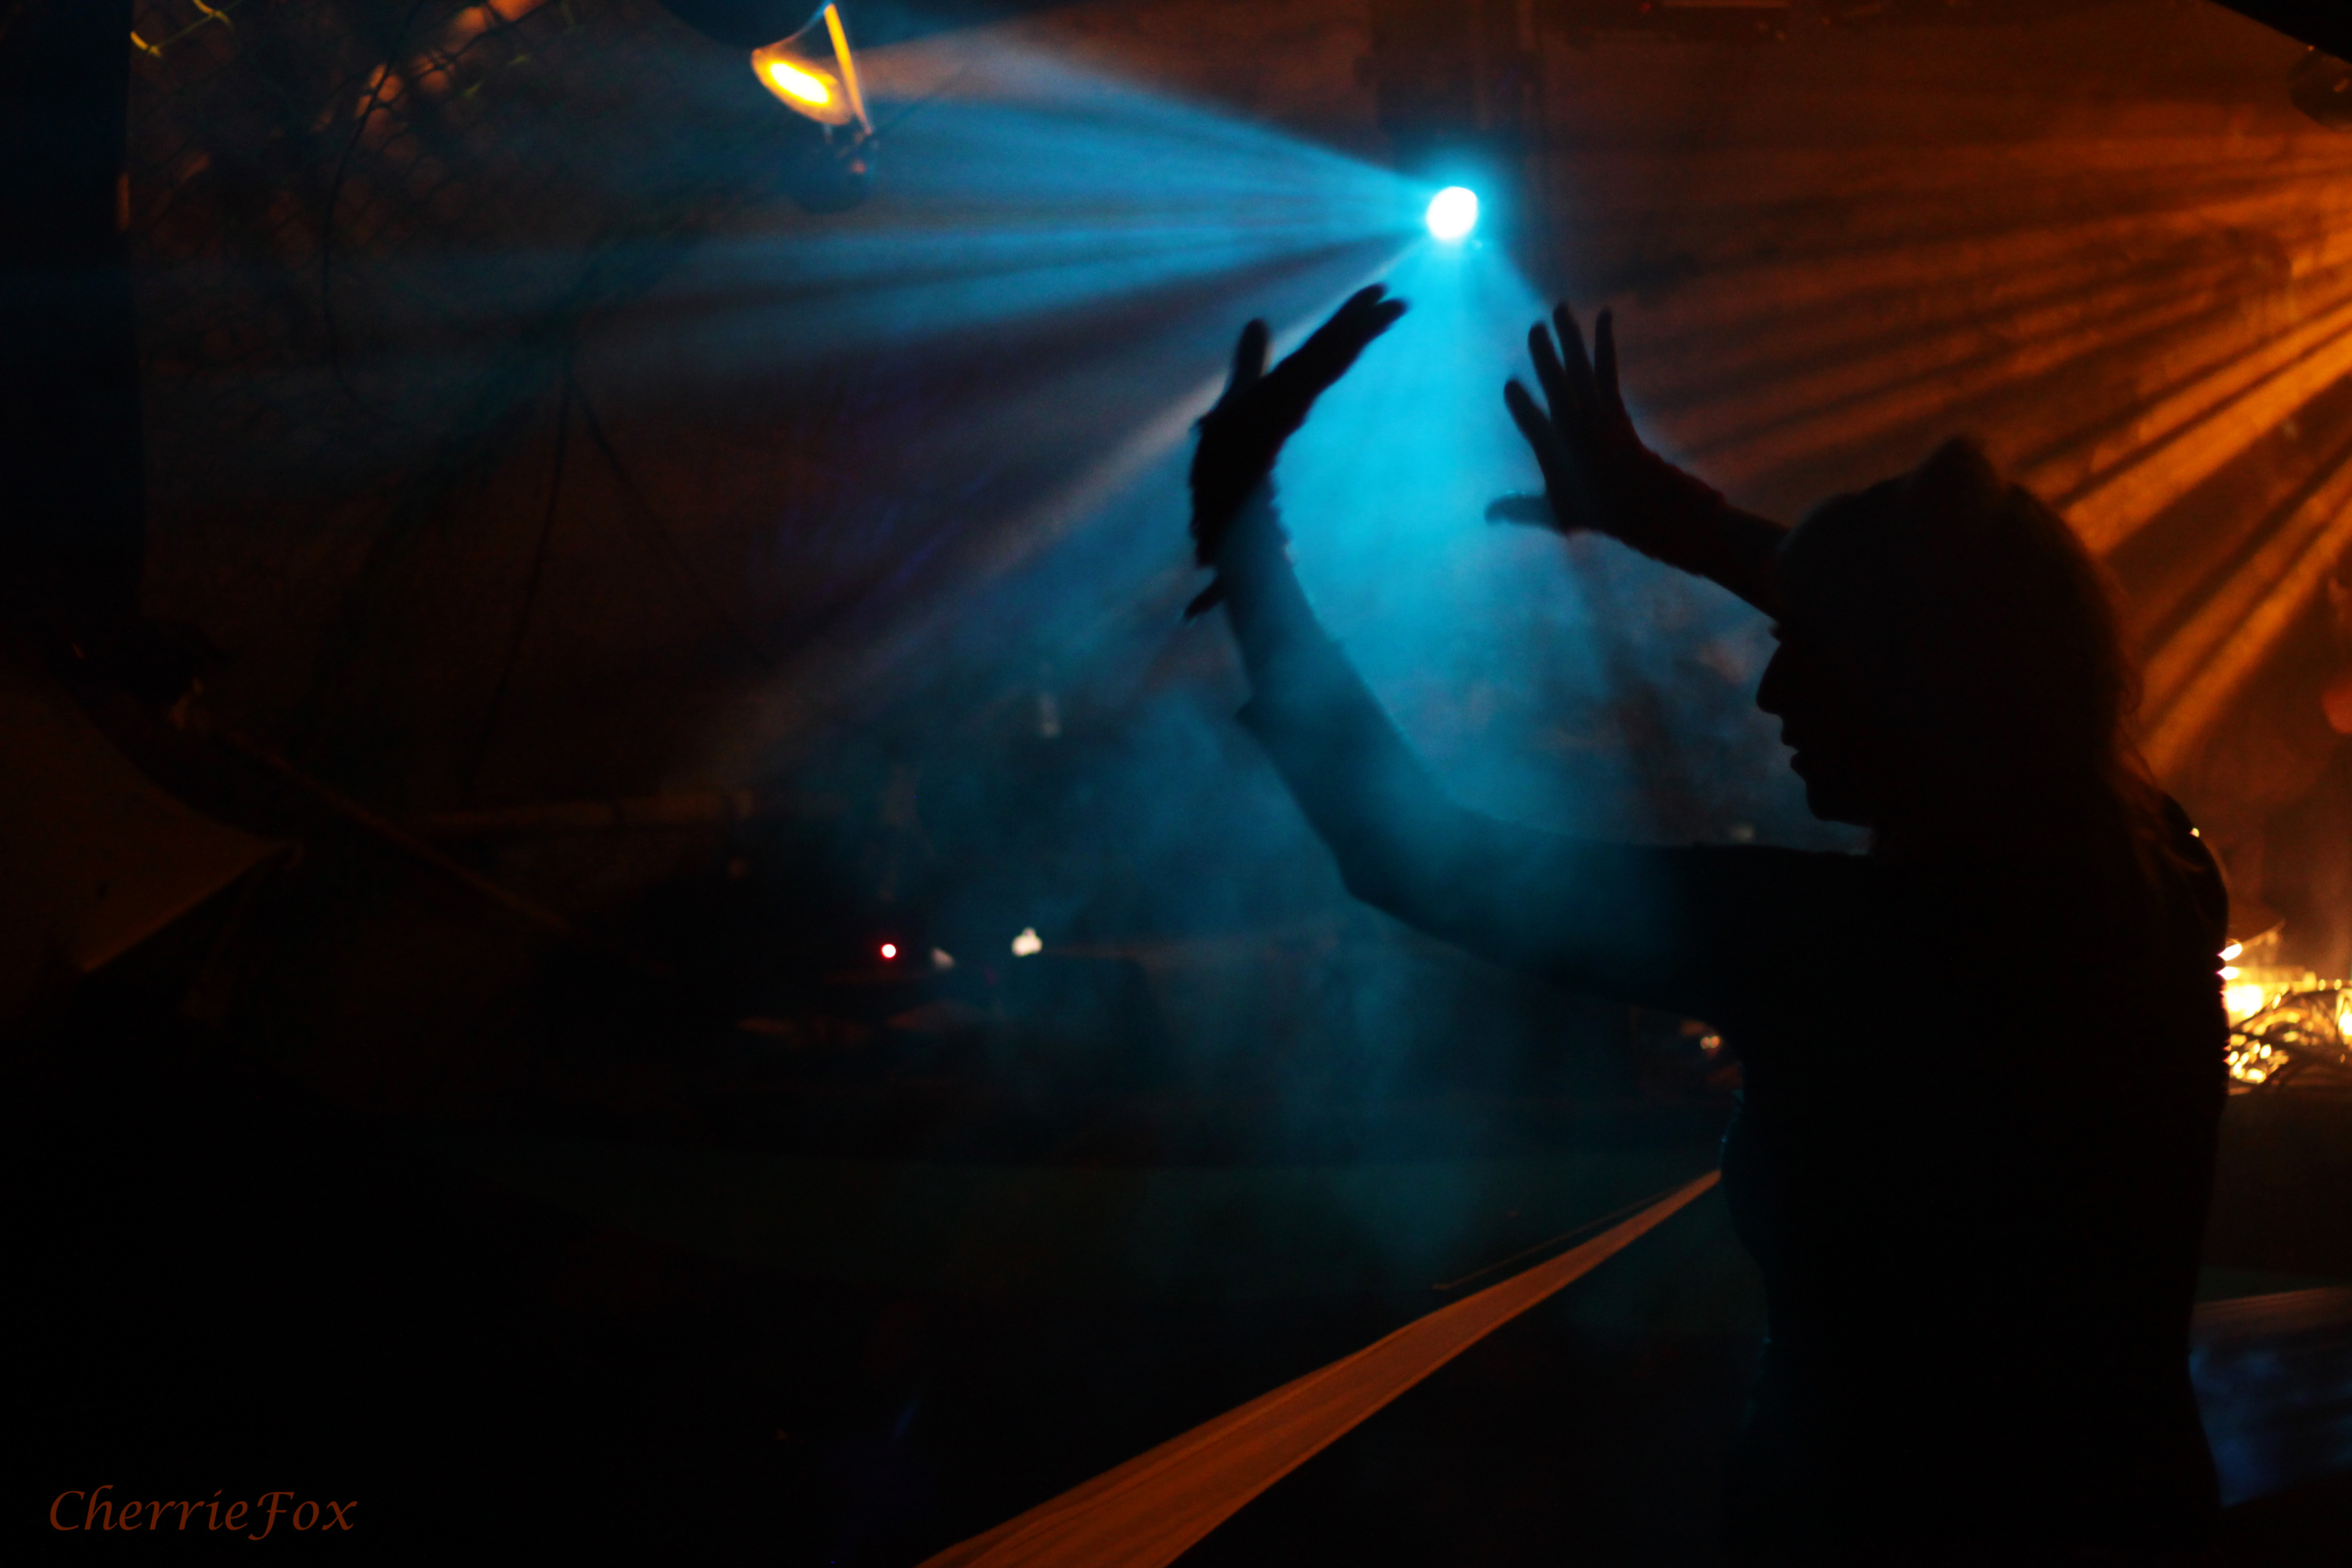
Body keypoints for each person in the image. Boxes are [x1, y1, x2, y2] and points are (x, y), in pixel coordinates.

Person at [1187, 287, 2231, 1566]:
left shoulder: (1854, 951)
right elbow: (1984, 640)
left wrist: (1246, 535)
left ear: (1922, 685)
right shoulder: (2157, 884)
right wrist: (1690, 525)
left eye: (1811, 645)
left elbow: (1422, 855)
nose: (1772, 686)